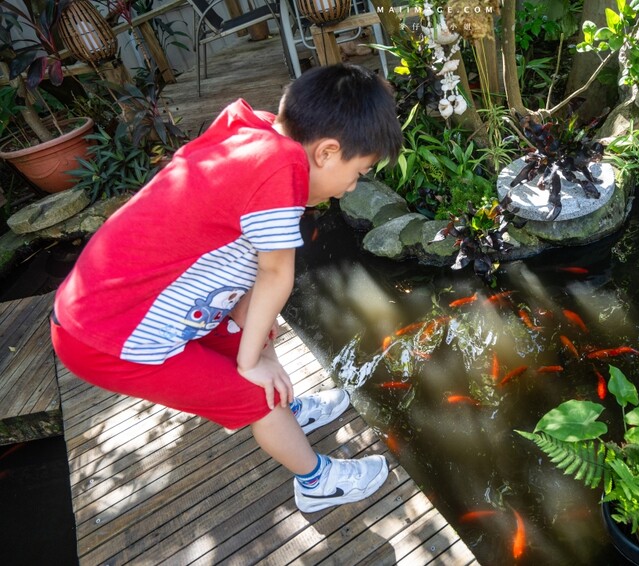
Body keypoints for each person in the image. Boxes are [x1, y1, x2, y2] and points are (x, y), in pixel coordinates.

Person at [50, 63, 403, 513]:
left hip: (118, 303)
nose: (351, 187)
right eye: (359, 171)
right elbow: (276, 274)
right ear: (327, 152)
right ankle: (315, 481)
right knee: (252, 389)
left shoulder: (256, 132)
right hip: (109, 335)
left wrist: (253, 335)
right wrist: (251, 360)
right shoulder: (283, 170)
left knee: (251, 330)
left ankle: (286, 414)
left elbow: (243, 264)